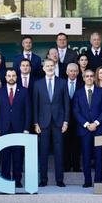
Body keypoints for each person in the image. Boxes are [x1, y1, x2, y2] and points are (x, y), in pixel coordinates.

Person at [33, 59, 70, 187]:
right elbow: (35, 105)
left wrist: (66, 121)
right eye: (47, 66)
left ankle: (60, 180)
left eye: (51, 66)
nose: (49, 68)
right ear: (43, 68)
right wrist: (36, 123)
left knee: (59, 152)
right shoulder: (37, 84)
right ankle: (43, 180)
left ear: (55, 67)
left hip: (59, 122)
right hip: (43, 123)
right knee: (43, 152)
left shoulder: (62, 82)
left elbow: (67, 104)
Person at [0, 69, 32, 187]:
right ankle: (5, 179)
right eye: (9, 75)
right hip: (3, 128)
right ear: (5, 77)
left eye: (13, 76)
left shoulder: (24, 91)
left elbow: (28, 111)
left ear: (17, 77)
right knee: (5, 155)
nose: (11, 77)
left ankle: (17, 180)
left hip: (19, 129)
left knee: (18, 155)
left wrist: (26, 128)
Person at [73, 69, 102, 187]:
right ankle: (87, 181)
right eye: (86, 76)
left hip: (99, 128)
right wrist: (87, 124)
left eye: (91, 76)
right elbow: (76, 111)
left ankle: (98, 181)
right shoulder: (78, 93)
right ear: (83, 78)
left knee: (99, 157)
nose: (89, 78)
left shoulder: (101, 92)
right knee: (86, 157)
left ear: (94, 78)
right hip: (84, 130)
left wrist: (96, 123)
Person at [63, 62, 82, 172]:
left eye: (75, 71)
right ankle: (66, 166)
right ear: (66, 72)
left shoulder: (82, 84)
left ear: (78, 72)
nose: (73, 73)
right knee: (64, 144)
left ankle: (76, 166)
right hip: (64, 120)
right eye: (71, 70)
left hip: (78, 120)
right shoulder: (61, 84)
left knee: (76, 145)